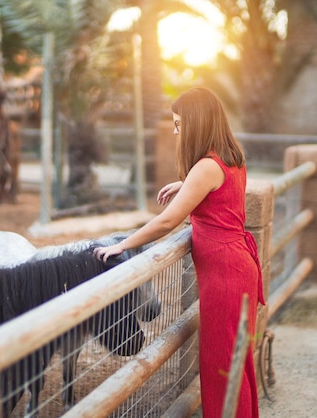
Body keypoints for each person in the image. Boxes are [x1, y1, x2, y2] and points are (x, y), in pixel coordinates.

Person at [94, 87, 265, 418]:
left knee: (222, 365)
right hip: (238, 268)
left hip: (226, 275)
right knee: (234, 361)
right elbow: (217, 195)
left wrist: (123, 244)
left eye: (178, 124)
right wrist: (185, 184)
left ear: (196, 123)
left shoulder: (206, 167)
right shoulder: (230, 157)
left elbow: (168, 221)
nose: (176, 131)